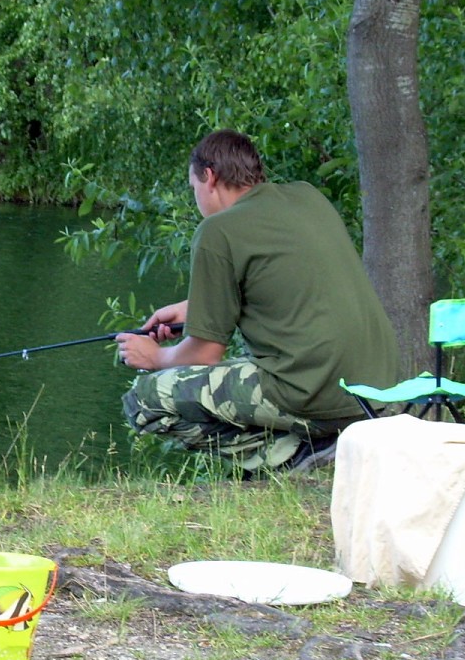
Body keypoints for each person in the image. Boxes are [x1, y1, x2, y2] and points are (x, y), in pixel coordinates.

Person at [115, 129, 398, 477]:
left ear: (209, 176)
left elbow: (205, 356)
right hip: (380, 390)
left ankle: (291, 456)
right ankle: (318, 442)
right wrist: (199, 306)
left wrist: (156, 357)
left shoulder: (217, 231)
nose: (197, 199)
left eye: (194, 189)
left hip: (313, 392)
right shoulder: (307, 198)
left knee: (143, 400)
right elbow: (288, 279)